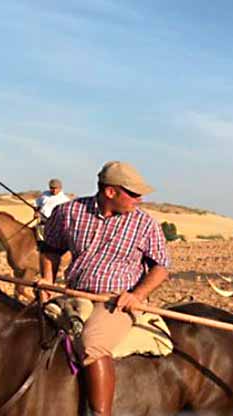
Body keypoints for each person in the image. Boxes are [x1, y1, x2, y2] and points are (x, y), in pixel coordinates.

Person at [39, 161, 169, 416]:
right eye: (132, 193)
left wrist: (137, 295)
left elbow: (161, 267)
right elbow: (51, 249)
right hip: (75, 295)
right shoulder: (69, 212)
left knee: (92, 343)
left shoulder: (145, 224)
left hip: (116, 302)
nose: (139, 199)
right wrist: (47, 280)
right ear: (111, 192)